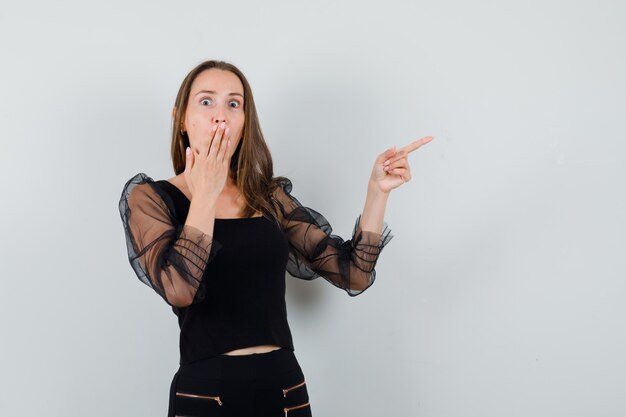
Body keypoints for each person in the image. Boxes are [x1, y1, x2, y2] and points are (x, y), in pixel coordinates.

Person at [118, 59, 432, 417]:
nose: (220, 115)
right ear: (181, 119)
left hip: (283, 388)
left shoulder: (266, 197)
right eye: (206, 101)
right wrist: (204, 192)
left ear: (245, 122)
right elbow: (180, 288)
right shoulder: (151, 198)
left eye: (234, 104)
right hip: (207, 394)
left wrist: (378, 191)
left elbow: (353, 274)